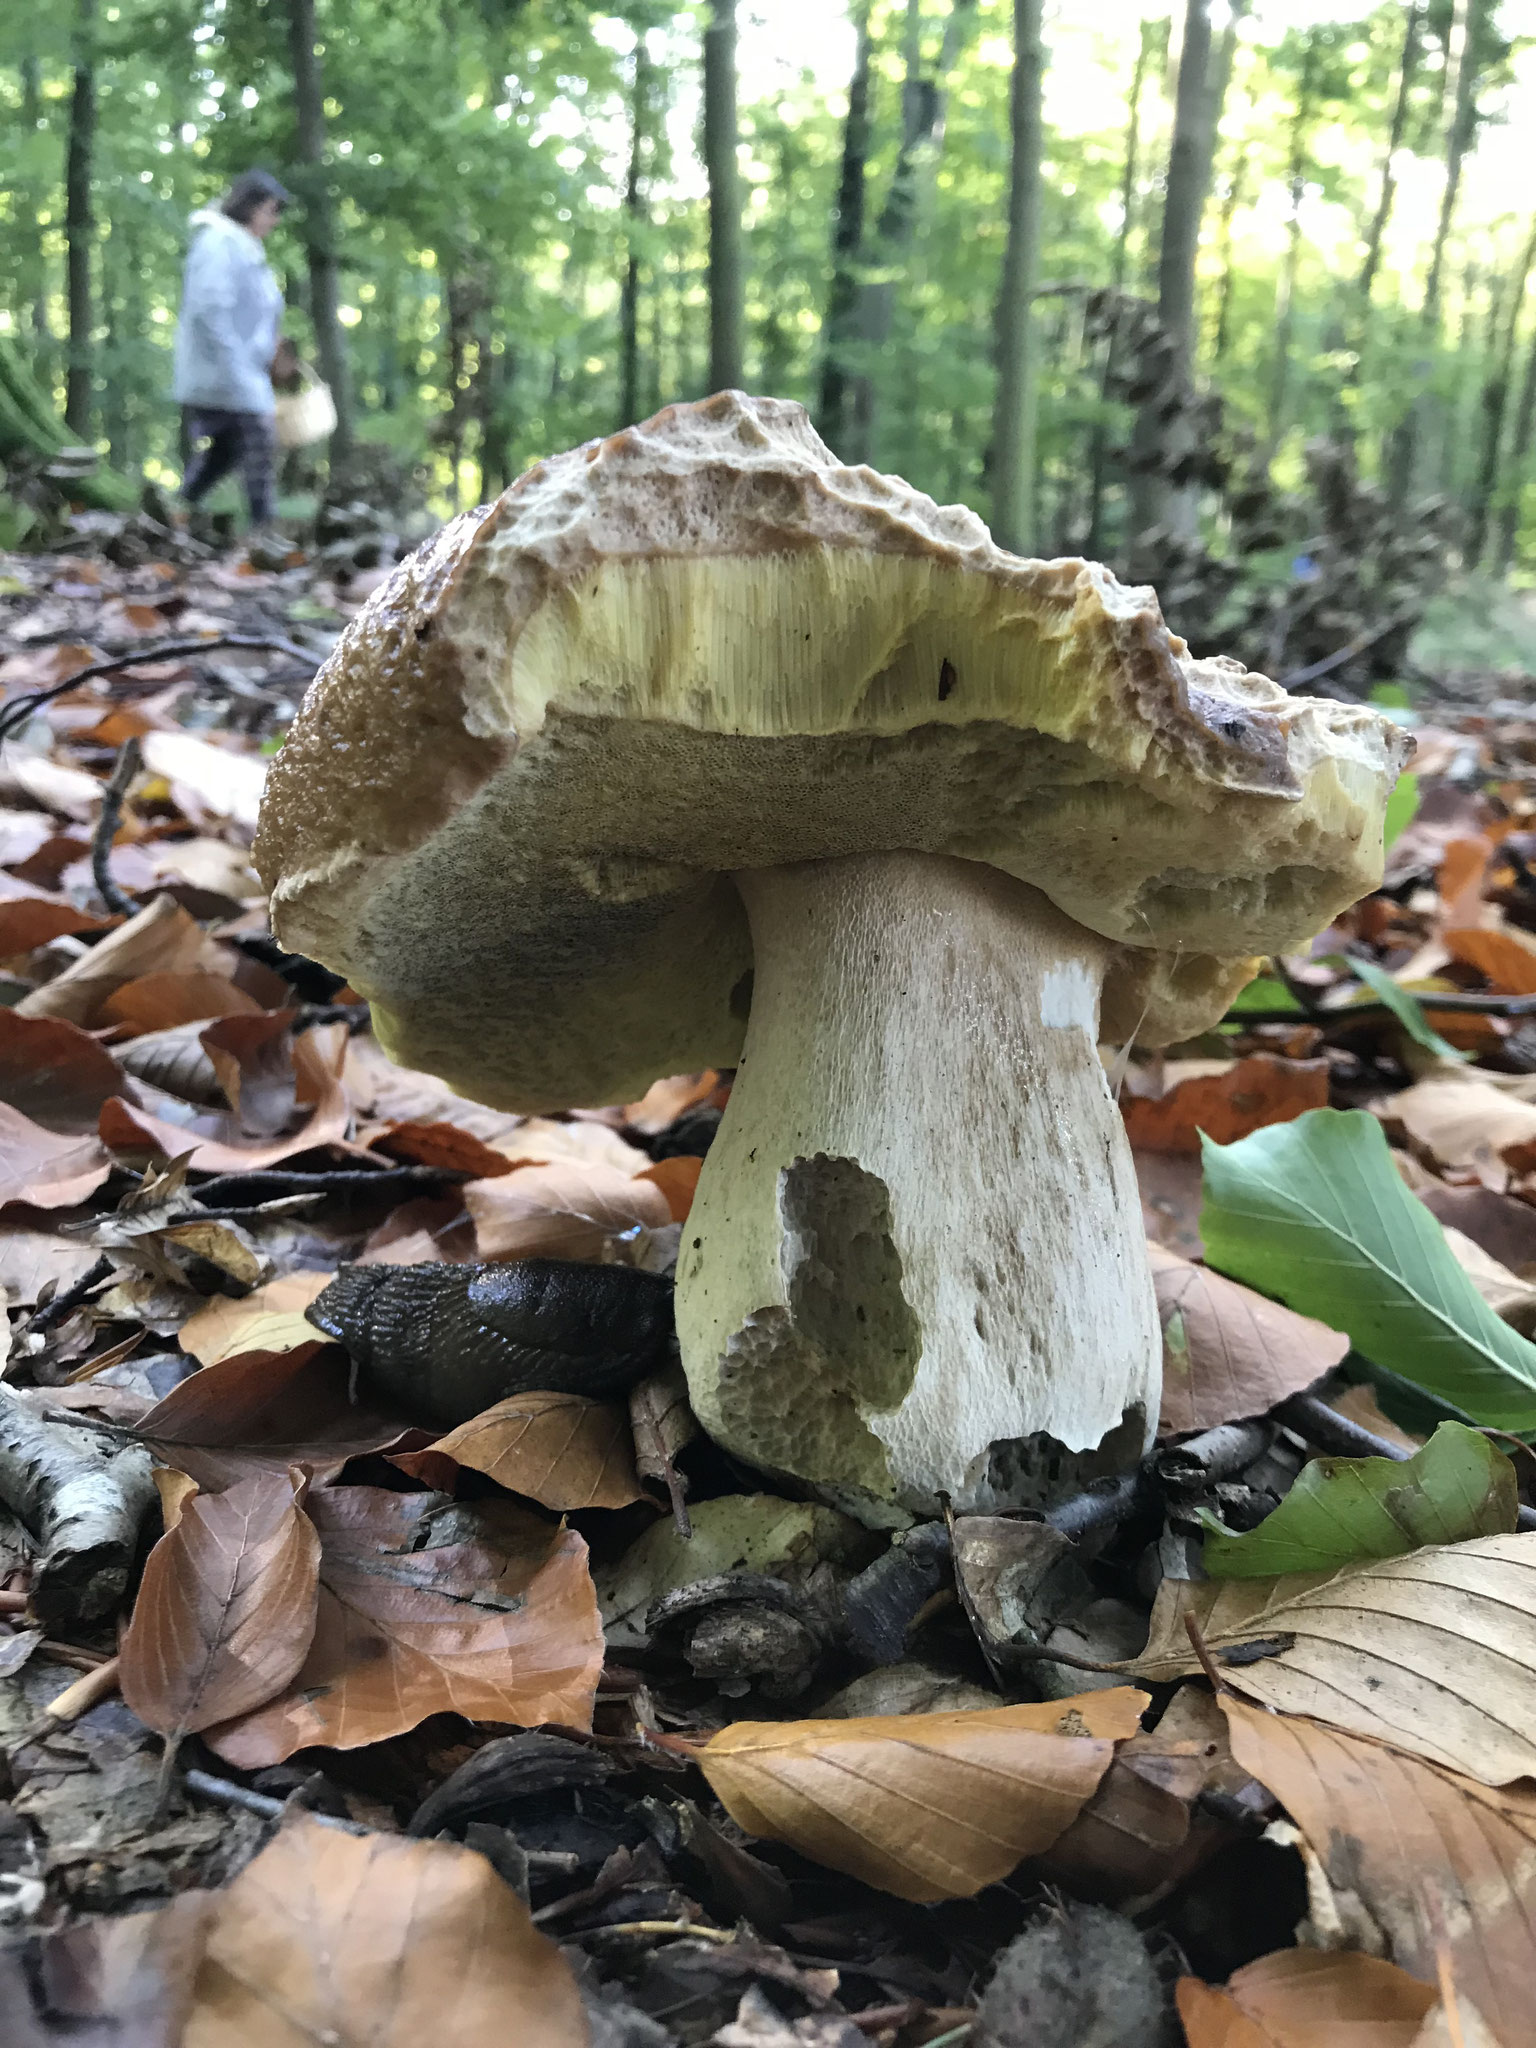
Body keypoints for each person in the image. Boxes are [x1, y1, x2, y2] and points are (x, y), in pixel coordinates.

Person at [172, 168, 292, 534]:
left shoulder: (239, 244)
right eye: (271, 211)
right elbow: (211, 308)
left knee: (228, 450)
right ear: (251, 206)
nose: (273, 221)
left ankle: (176, 509)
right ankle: (264, 530)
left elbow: (251, 309)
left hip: (239, 369)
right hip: (223, 371)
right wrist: (236, 363)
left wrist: (268, 346)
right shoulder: (218, 242)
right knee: (258, 442)